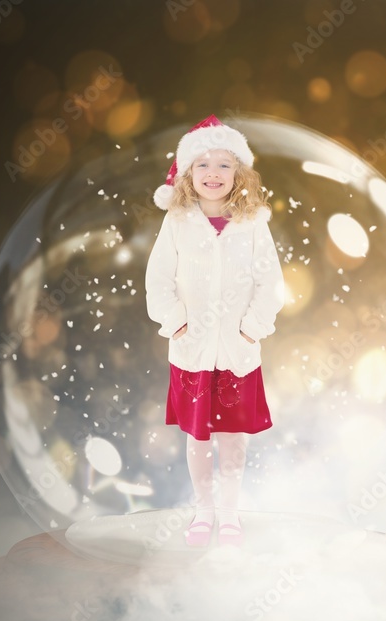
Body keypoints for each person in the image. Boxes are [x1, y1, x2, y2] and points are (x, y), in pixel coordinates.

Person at [144, 114, 286, 547]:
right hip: (193, 349)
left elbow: (271, 283)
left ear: (239, 173)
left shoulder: (253, 224)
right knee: (198, 436)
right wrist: (177, 323)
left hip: (238, 351)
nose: (213, 173)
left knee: (233, 440)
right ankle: (202, 510)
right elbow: (158, 278)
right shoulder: (179, 222)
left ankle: (229, 512)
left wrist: (252, 329)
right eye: (203, 164)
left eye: (224, 165)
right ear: (188, 172)